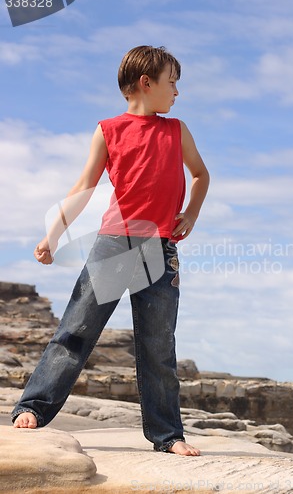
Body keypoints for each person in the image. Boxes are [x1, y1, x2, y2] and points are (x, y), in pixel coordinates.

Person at [11, 45, 209, 456]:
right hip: (115, 245)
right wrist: (53, 235)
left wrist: (190, 212)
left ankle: (167, 434)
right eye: (172, 82)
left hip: (161, 248)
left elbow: (201, 174)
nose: (177, 91)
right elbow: (83, 187)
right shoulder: (108, 129)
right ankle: (33, 406)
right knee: (76, 330)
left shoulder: (177, 130)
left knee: (158, 343)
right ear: (146, 83)